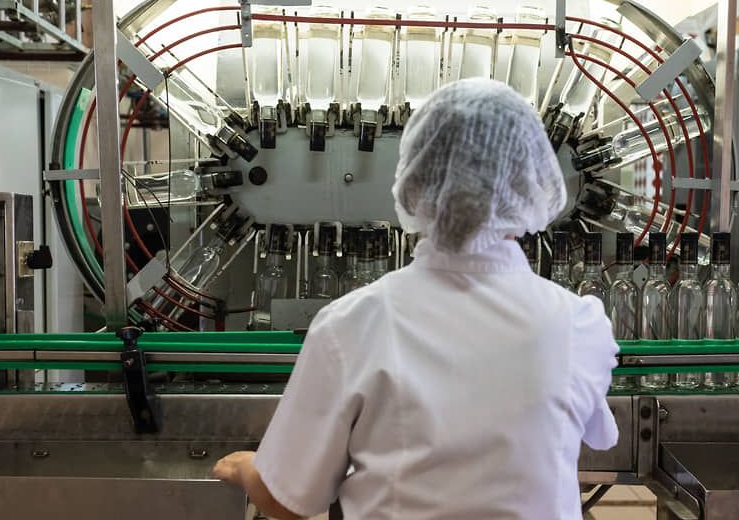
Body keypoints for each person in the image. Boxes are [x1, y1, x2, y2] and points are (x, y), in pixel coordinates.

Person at [212, 78, 619, 519]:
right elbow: (591, 438)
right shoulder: (581, 324)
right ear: (529, 186)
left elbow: (288, 500)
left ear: (412, 186)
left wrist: (246, 467)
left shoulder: (352, 324)